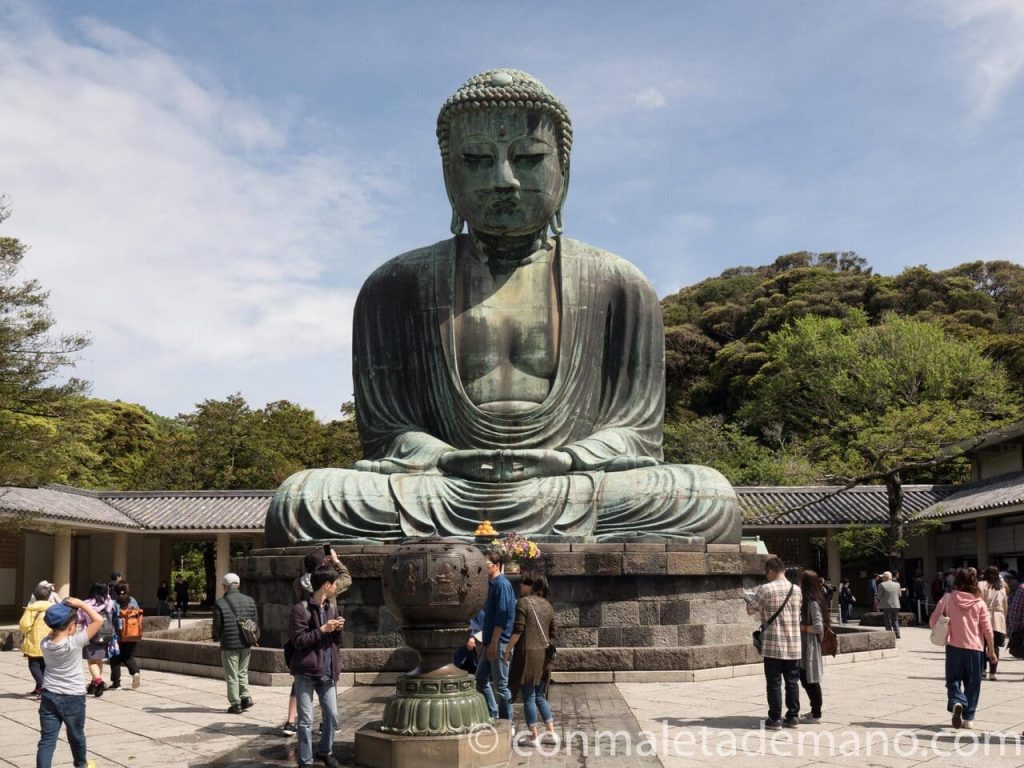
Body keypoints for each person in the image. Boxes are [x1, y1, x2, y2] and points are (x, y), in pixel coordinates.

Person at [264, 68, 742, 547]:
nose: (503, 180)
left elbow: (636, 433)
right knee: (304, 499)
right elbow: (388, 432)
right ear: (450, 176)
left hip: (571, 485)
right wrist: (444, 457)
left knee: (705, 495)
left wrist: (568, 459)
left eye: (528, 158)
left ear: (564, 171)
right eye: (476, 160)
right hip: (443, 486)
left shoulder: (618, 284)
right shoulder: (395, 286)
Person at [282, 548, 352, 737]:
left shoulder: (298, 584)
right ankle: (327, 723)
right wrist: (336, 562)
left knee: (300, 680)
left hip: (304, 634)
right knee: (327, 681)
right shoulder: (330, 585)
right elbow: (347, 578)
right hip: (325, 633)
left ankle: (290, 721)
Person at [288, 564, 345, 768]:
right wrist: (322, 629)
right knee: (305, 720)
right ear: (326, 585)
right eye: (335, 584)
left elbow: (336, 643)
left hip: (328, 671)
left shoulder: (332, 608)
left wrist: (338, 629)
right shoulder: (300, 609)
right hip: (306, 672)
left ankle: (326, 751)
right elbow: (299, 641)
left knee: (331, 715)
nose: (337, 587)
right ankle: (305, 760)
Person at [36, 598, 102, 768]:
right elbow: (98, 620)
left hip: (49, 695)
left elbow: (54, 632)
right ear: (72, 626)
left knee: (47, 740)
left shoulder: (45, 644)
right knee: (76, 735)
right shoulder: (74, 643)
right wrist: (81, 604)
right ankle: (81, 765)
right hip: (73, 697)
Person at [929, 568, 997, 729]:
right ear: (974, 583)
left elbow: (933, 620)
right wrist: (992, 651)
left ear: (957, 582)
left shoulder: (947, 598)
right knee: (973, 683)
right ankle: (969, 718)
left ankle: (957, 701)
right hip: (975, 648)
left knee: (953, 681)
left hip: (953, 647)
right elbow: (987, 628)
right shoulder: (979, 603)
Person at [747, 556, 803, 730]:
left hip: (773, 643)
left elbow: (751, 610)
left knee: (774, 682)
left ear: (770, 570)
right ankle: (793, 716)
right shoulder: (796, 589)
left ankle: (775, 719)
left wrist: (747, 599)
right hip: (793, 642)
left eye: (767, 573)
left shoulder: (765, 589)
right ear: (783, 570)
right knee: (792, 681)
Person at [505, 573, 558, 746]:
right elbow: (553, 635)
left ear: (531, 585)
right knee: (540, 695)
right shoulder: (548, 605)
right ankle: (551, 733)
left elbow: (518, 631)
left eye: (523, 583)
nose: (520, 586)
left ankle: (534, 736)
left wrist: (507, 651)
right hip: (544, 657)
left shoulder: (524, 602)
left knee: (528, 696)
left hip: (527, 655)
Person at [212, 573, 258, 714]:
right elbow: (255, 623)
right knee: (242, 671)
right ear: (238, 585)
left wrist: (216, 637)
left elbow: (218, 625)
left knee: (231, 674)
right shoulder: (250, 600)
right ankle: (246, 697)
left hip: (230, 644)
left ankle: (235, 703)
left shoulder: (220, 603)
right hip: (246, 642)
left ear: (224, 586)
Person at [477, 551, 515, 720]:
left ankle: (507, 723)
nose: (485, 569)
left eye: (487, 566)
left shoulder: (501, 585)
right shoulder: (492, 585)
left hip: (499, 642)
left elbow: (502, 616)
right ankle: (493, 713)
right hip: (489, 641)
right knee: (480, 679)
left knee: (501, 685)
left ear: (497, 566)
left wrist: (493, 642)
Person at [798, 570, 828, 724]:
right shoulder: (808, 601)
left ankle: (817, 713)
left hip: (810, 645)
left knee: (811, 679)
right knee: (805, 678)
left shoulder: (813, 603)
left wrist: (801, 627)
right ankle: (814, 710)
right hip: (805, 644)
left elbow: (818, 627)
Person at [80, 583, 115, 697]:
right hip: (105, 635)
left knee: (92, 662)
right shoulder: (109, 603)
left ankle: (99, 682)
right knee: (99, 660)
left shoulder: (87, 604)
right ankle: (93, 683)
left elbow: (80, 618)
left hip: (91, 635)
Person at [19, 583, 53, 697]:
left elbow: (24, 626)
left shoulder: (32, 609)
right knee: (44, 665)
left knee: (34, 664)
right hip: (50, 641)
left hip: (35, 641)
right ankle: (40, 687)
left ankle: (42, 685)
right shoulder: (53, 607)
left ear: (34, 595)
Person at [109, 583, 142, 690]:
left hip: (118, 636)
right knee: (128, 656)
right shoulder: (133, 601)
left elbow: (110, 619)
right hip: (133, 634)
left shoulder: (114, 603)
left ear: (115, 591)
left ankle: (116, 683)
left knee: (115, 658)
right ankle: (135, 672)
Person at [979, 566, 1008, 680]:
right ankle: (993, 672)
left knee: (982, 645)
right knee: (995, 647)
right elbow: (1005, 606)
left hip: (983, 616)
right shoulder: (1001, 588)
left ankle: (982, 670)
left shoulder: (981, 585)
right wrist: (1003, 619)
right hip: (997, 618)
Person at [878, 571, 902, 640]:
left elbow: (879, 596)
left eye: (883, 577)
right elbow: (899, 595)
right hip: (896, 604)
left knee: (887, 620)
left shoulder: (881, 585)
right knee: (895, 619)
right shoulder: (897, 584)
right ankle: (897, 633)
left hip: (886, 605)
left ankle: (889, 634)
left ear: (885, 577)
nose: (882, 578)